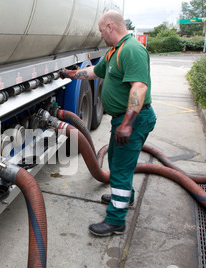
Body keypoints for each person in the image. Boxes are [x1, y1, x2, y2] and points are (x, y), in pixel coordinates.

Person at [60, 10, 157, 237]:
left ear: (111, 27)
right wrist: (71, 74)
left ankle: (115, 221)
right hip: (121, 119)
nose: (101, 35)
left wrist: (127, 124)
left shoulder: (132, 50)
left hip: (133, 119)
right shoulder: (115, 51)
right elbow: (95, 71)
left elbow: (139, 87)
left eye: (102, 31)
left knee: (121, 168)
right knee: (116, 160)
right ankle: (126, 196)